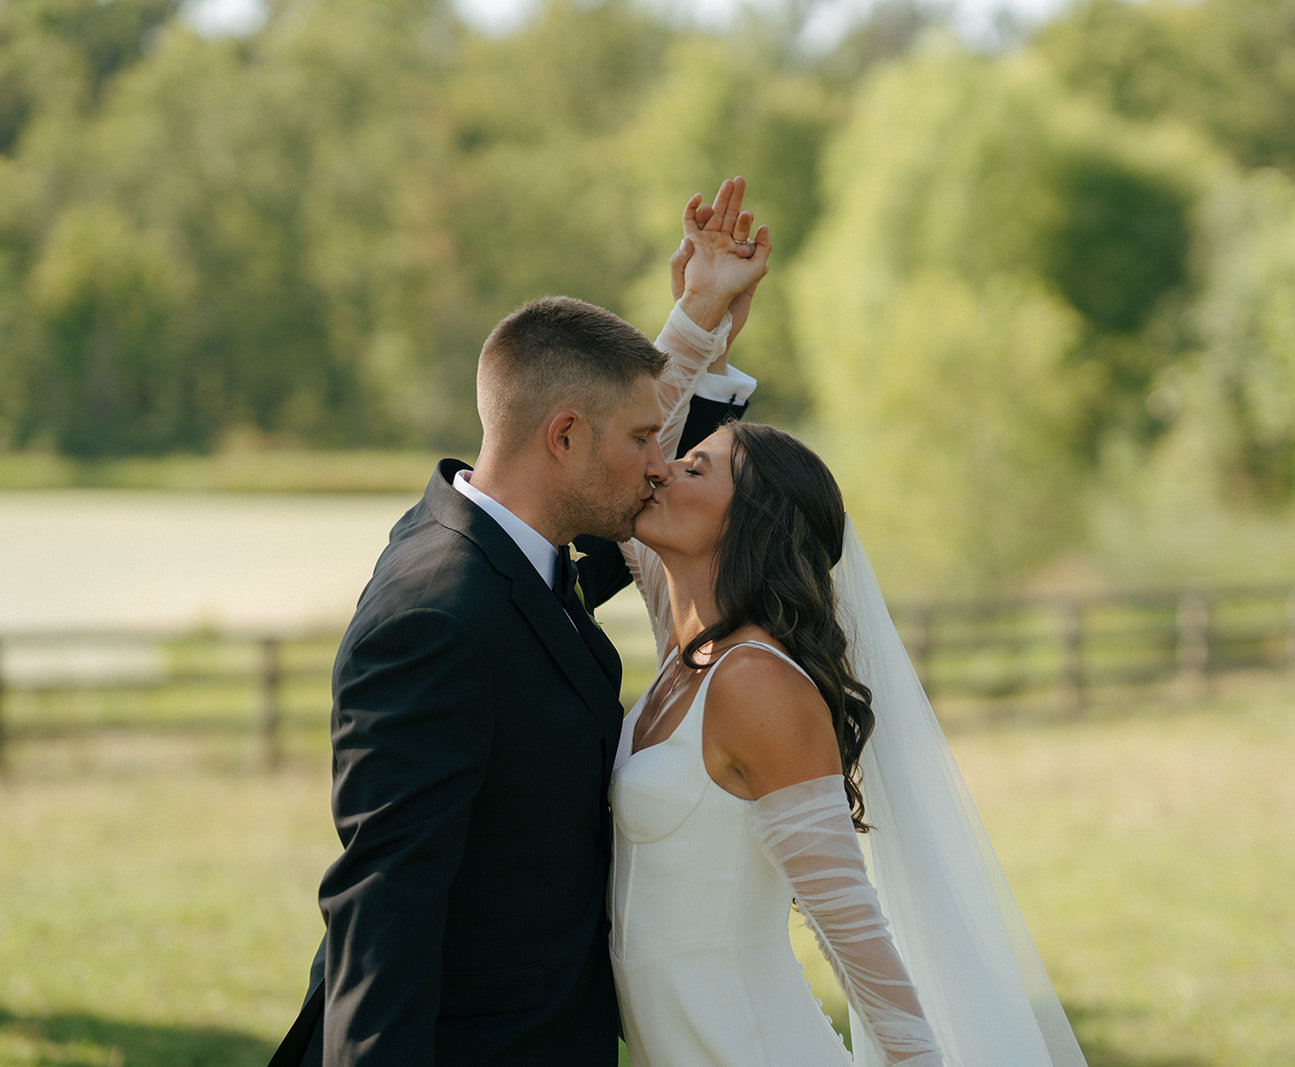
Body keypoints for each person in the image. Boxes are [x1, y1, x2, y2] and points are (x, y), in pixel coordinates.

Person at [268, 178, 771, 1067]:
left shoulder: (514, 545)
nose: (661, 468)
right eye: (641, 443)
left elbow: (628, 532)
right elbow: (386, 906)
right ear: (565, 438)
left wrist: (697, 324)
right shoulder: (433, 619)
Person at [607, 356, 1091, 1058]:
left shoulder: (753, 682)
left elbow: (850, 927)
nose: (662, 468)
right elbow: (625, 438)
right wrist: (699, 313)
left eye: (696, 468)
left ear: (751, 523)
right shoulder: (686, 653)